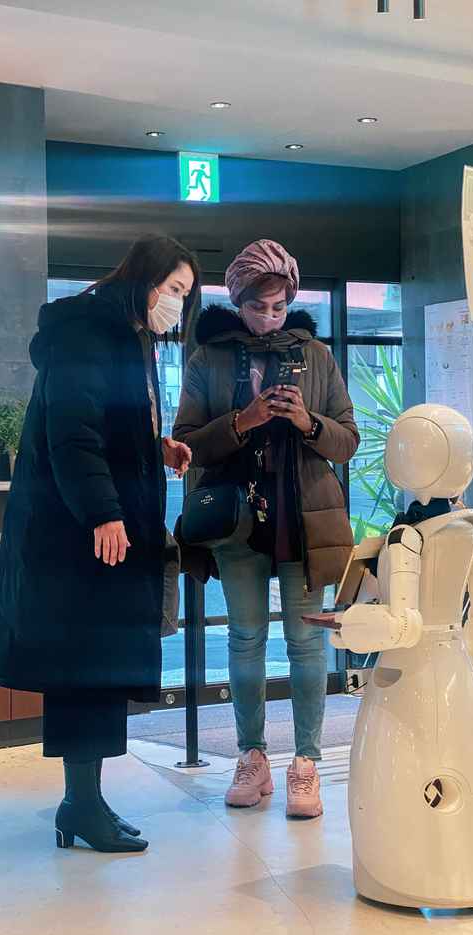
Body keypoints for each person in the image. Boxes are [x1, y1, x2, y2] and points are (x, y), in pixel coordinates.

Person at [0, 235, 199, 853]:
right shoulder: (87, 331)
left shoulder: (121, 332)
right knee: (85, 670)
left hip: (101, 533)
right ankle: (80, 804)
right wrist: (104, 512)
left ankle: (85, 801)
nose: (178, 306)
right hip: (81, 538)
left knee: (98, 669)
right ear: (146, 280)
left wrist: (157, 448)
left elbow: (110, 422)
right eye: (175, 290)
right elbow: (72, 434)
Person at [173, 239, 359, 819]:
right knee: (246, 639)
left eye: (280, 307)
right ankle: (252, 757)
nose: (271, 318)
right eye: (260, 307)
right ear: (239, 301)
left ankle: (306, 763)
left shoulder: (317, 356)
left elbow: (348, 441)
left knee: (307, 641)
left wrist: (307, 421)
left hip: (303, 520)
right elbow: (185, 443)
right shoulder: (208, 358)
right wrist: (242, 420)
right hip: (235, 521)